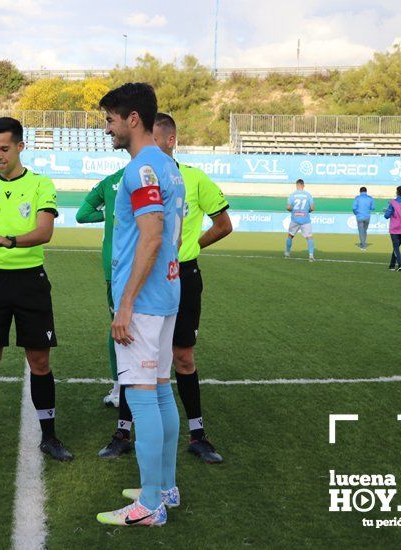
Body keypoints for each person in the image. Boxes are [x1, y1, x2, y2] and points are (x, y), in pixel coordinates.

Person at [0, 116, 73, 462]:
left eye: (4, 148)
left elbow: (44, 231)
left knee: (39, 360)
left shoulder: (40, 184)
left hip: (30, 281)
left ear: (20, 147)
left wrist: (10, 240)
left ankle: (49, 436)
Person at [94, 83, 184, 528]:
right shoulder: (169, 166)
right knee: (162, 389)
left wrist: (124, 304)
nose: (106, 128)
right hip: (167, 295)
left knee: (143, 396)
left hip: (144, 301)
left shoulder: (139, 170)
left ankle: (150, 504)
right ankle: (165, 487)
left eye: (110, 119)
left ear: (133, 119)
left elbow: (151, 237)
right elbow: (173, 237)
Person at [152, 113, 232, 464]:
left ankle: (197, 434)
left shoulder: (195, 179)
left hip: (183, 275)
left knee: (183, 356)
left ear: (170, 140)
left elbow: (224, 223)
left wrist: (193, 245)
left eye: (153, 139)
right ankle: (124, 432)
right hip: (147, 276)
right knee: (143, 357)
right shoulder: (138, 179)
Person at [75, 167, 135, 458]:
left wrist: (107, 216)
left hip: (114, 268)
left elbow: (82, 215)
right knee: (145, 328)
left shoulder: (110, 182)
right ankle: (143, 390)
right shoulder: (153, 173)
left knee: (118, 326)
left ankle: (118, 388)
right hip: (146, 266)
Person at [285, 179, 315, 261]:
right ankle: (311, 255)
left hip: (295, 218)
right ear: (303, 185)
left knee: (290, 236)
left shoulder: (292, 195)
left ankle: (287, 253)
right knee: (309, 237)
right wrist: (306, 211)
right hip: (305, 219)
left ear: (297, 185)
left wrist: (293, 210)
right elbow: (312, 208)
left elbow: (288, 207)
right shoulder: (308, 195)